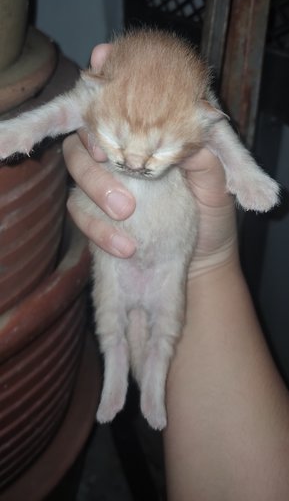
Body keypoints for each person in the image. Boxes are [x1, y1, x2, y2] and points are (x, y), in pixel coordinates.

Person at [63, 129, 289, 501]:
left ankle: (150, 388)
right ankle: (116, 380)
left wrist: (242, 174)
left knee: (161, 330)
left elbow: (208, 120)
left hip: (170, 252)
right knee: (112, 323)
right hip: (138, 251)